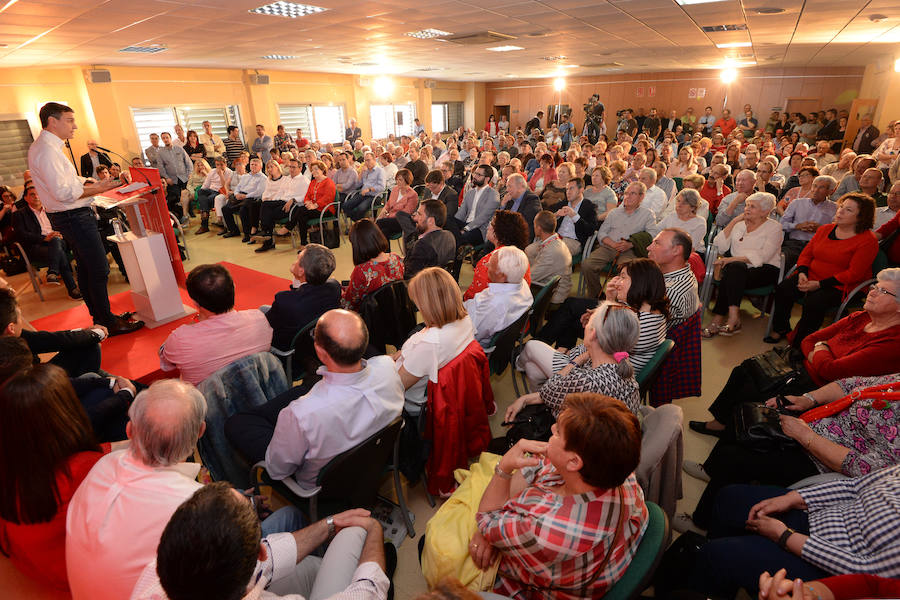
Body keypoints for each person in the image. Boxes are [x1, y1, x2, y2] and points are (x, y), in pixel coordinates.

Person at [471, 393, 648, 600]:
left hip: (532, 586)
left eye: (557, 432)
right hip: (577, 562)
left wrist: (504, 467)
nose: (551, 429)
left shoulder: (542, 530)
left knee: (434, 547)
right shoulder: (621, 474)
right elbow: (539, 464)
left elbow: (485, 519)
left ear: (574, 462)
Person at [684, 367, 900, 535]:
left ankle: (702, 524)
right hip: (817, 423)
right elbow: (854, 384)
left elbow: (868, 468)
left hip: (824, 463)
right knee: (745, 414)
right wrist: (809, 399)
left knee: (734, 458)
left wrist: (806, 437)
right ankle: (713, 474)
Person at [690, 270, 900, 439]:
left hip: (820, 388)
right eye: (875, 287)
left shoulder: (892, 342)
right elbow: (808, 340)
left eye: (883, 291)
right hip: (802, 367)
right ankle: (722, 423)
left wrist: (822, 348)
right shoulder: (860, 317)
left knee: (757, 392)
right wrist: (821, 350)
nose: (871, 292)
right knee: (745, 368)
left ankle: (733, 437)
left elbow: (832, 372)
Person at [130, 482, 390, 600]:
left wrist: (329, 524)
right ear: (260, 553)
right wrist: (374, 530)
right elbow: (368, 591)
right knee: (356, 534)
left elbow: (268, 561)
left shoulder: (152, 576)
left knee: (312, 564)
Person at [681, 463, 900, 599]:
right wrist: (793, 499)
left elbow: (864, 571)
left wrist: (785, 536)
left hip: (825, 565)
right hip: (818, 516)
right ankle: (720, 583)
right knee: (730, 498)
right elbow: (853, 487)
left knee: (717, 557)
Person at [0, 364, 122, 591]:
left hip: (35, 565)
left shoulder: (15, 460)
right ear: (63, 412)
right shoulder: (82, 469)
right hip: (78, 577)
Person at [249, 310, 404, 487]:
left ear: (320, 351)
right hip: (375, 461)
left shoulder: (301, 414)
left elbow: (278, 470)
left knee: (239, 423)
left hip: (321, 491)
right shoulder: (388, 367)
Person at [28, 102, 143, 335]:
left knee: (87, 268)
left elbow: (70, 182)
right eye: (70, 120)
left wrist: (93, 183)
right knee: (99, 269)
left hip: (68, 216)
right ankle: (108, 322)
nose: (75, 126)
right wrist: (101, 189)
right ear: (52, 121)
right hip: (73, 216)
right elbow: (64, 193)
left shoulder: (47, 147)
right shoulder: (47, 151)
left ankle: (101, 317)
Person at [768, 193, 878, 346]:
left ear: (861, 217)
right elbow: (806, 254)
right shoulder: (825, 229)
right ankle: (781, 328)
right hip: (811, 276)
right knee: (783, 289)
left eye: (848, 210)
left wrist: (819, 284)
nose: (840, 211)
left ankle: (800, 343)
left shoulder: (868, 241)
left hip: (841, 284)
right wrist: (802, 273)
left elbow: (854, 274)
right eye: (841, 207)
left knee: (815, 302)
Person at [512, 300, 642, 417]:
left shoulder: (589, 380)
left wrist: (578, 360)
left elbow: (547, 391)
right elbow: (572, 354)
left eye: (589, 322)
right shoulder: (618, 358)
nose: (584, 325)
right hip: (597, 429)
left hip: (579, 437)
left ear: (593, 334)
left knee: (532, 357)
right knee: (531, 366)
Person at [159, 264, 273, 385]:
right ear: (234, 288)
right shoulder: (259, 318)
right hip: (260, 388)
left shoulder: (180, 340)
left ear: (195, 303)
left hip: (207, 402)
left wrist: (196, 322)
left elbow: (166, 365)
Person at [394, 267, 477, 413]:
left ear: (428, 305)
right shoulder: (466, 320)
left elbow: (396, 386)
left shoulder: (428, 345)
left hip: (412, 402)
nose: (418, 308)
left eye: (418, 303)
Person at [704, 192, 783, 337]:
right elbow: (718, 245)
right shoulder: (739, 225)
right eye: (747, 205)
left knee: (733, 269)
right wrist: (733, 221)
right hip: (737, 271)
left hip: (764, 270)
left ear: (765, 211)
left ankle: (718, 318)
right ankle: (734, 317)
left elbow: (764, 256)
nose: (747, 209)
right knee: (735, 270)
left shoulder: (775, 227)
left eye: (752, 206)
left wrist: (730, 260)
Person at [582, 181, 655, 298]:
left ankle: (618, 301)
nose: (628, 196)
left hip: (630, 250)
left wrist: (631, 244)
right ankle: (597, 296)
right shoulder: (614, 213)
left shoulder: (648, 215)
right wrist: (612, 243)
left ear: (642, 196)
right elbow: (602, 233)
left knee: (626, 272)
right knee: (587, 265)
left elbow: (651, 235)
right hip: (609, 246)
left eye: (633, 193)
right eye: (626, 193)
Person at [266, 243, 341, 352]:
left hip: (288, 348)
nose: (294, 261)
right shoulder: (334, 287)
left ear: (302, 271)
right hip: (311, 339)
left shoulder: (284, 301)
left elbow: (268, 324)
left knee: (262, 310)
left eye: (297, 259)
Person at [12, 185, 80, 298]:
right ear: (25, 198)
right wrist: (43, 238)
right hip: (37, 246)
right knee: (60, 253)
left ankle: (54, 272)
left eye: (38, 193)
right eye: (32, 194)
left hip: (59, 241)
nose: (36, 196)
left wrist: (58, 234)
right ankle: (65, 283)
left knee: (56, 241)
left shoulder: (52, 209)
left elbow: (64, 225)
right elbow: (21, 235)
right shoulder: (19, 215)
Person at [464, 246, 533, 347]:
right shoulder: (521, 283)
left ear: (501, 276)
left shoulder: (494, 305)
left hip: (469, 338)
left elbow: (470, 335)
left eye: (491, 265)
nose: (487, 265)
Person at [464, 210, 531, 300]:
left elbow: (472, 297)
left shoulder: (490, 262)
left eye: (491, 224)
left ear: (499, 232)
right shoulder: (521, 257)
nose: (488, 227)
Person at [341, 219, 404, 312]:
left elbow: (348, 304)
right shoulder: (396, 259)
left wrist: (339, 292)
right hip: (397, 314)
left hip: (372, 319)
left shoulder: (362, 271)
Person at [780, 174, 839, 268]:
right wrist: (797, 226)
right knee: (783, 260)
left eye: (821, 187)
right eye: (814, 186)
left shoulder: (835, 208)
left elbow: (837, 231)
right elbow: (782, 224)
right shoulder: (797, 203)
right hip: (794, 244)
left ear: (830, 191)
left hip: (818, 247)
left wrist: (821, 229)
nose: (816, 190)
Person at [525, 210, 573, 304]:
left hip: (555, 296)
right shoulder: (556, 242)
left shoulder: (551, 252)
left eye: (534, 225)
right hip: (553, 285)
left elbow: (530, 278)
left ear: (539, 228)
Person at [447, 164, 501, 247]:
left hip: (480, 229)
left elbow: (483, 217)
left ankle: (455, 257)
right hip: (465, 224)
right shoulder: (470, 192)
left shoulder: (493, 194)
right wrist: (456, 226)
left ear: (487, 178)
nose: (474, 176)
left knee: (460, 237)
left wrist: (466, 229)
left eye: (479, 175)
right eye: (475, 173)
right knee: (448, 219)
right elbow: (461, 213)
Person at [649, 188, 708, 253]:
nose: (679, 205)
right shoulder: (672, 216)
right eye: (678, 201)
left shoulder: (700, 222)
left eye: (684, 203)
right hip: (667, 250)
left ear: (693, 207)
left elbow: (691, 248)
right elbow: (656, 231)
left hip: (690, 254)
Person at [375, 168, 418, 244]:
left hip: (403, 222)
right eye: (396, 179)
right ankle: (387, 255)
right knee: (383, 232)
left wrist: (388, 216)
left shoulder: (413, 195)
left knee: (379, 223)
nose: (397, 182)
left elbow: (405, 213)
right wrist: (382, 214)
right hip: (390, 221)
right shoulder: (395, 189)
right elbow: (388, 204)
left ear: (407, 180)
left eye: (400, 180)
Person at [499, 173, 541, 239]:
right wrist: (503, 205)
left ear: (520, 186)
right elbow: (499, 220)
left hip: (520, 237)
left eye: (510, 186)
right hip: (506, 234)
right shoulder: (510, 199)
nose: (507, 190)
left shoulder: (532, 199)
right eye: (507, 186)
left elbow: (523, 222)